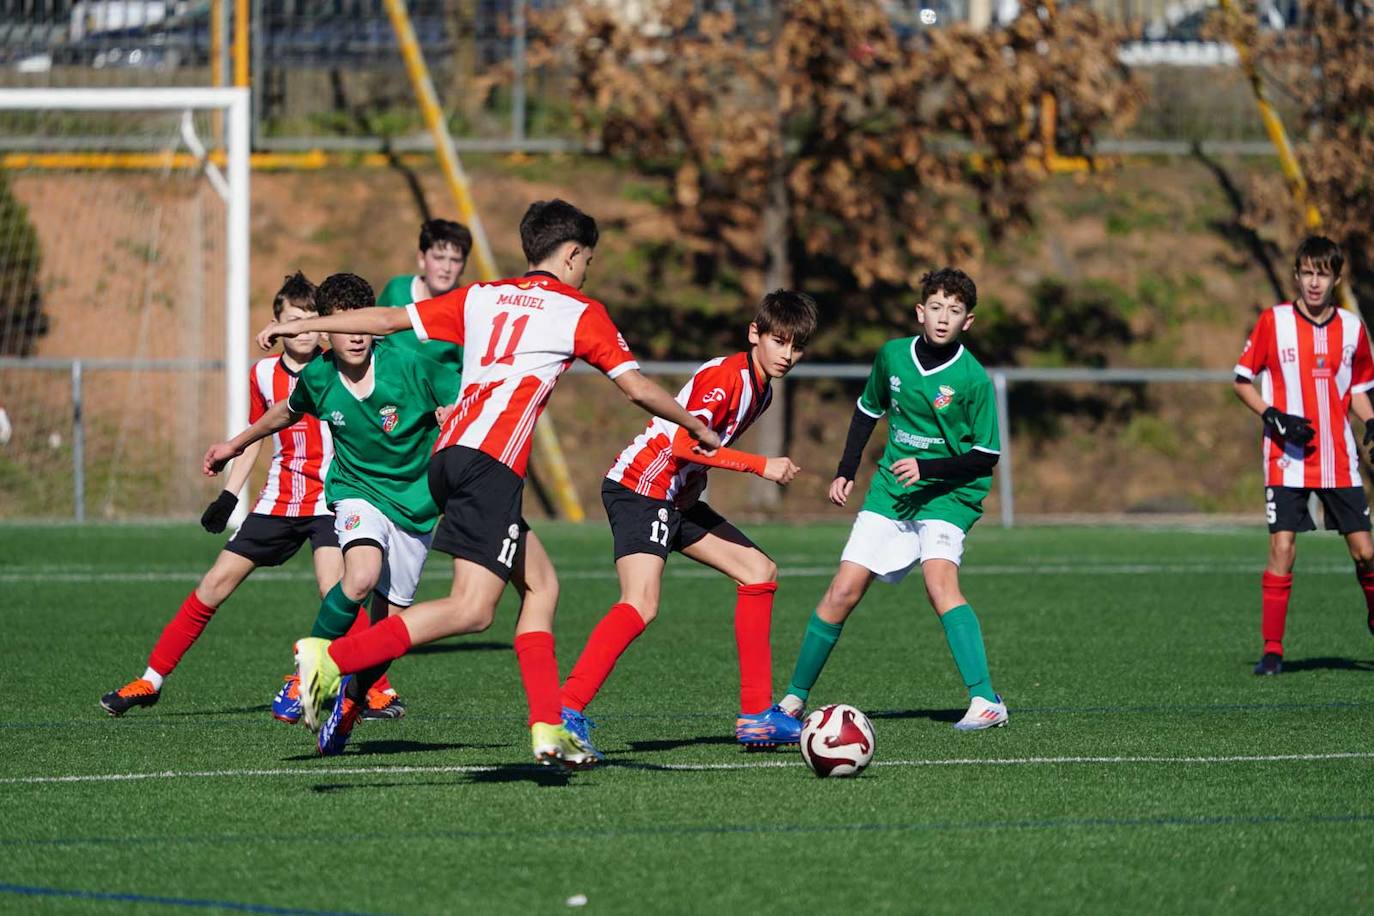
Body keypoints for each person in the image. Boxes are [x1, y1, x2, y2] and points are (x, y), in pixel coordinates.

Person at [254, 198, 722, 767]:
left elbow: (383, 321)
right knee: (472, 609)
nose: (587, 270)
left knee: (542, 588)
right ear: (572, 255)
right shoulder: (579, 310)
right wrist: (695, 422)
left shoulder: (483, 295)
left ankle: (549, 727)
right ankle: (332, 660)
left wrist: (299, 327)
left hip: (447, 457)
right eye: (587, 260)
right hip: (489, 463)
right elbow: (637, 388)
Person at [205, 272, 461, 754]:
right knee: (359, 576)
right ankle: (304, 678)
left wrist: (453, 416)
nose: (358, 335)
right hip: (356, 491)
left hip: (416, 503)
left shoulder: (410, 364)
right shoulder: (319, 376)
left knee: (388, 638)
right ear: (326, 331)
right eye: (345, 325)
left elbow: (464, 402)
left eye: (364, 324)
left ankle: (348, 706)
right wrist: (233, 445)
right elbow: (282, 412)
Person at [559, 290, 818, 758]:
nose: (788, 355)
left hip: (676, 498)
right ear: (754, 334)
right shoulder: (727, 377)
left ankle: (757, 716)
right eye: (779, 342)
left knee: (759, 571)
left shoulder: (762, 388)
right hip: (641, 487)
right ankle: (565, 710)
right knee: (640, 603)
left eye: (796, 346)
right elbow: (682, 445)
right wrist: (762, 466)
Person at [100, 272, 350, 716]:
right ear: (277, 323)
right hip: (278, 501)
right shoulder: (263, 374)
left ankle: (376, 688)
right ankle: (151, 679)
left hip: (331, 500)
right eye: (295, 319)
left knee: (338, 591)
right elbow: (254, 436)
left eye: (312, 319)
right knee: (214, 583)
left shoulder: (338, 365)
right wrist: (230, 497)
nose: (305, 328)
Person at [776, 267, 1009, 731]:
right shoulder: (893, 357)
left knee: (939, 583)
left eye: (955, 311)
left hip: (949, 495)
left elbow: (986, 456)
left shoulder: (973, 379)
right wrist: (846, 471)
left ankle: (986, 701)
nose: (944, 318)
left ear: (969, 321)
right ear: (921, 312)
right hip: (891, 491)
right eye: (937, 307)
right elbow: (867, 411)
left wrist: (929, 468)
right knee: (842, 590)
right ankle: (791, 702)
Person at [1232, 236, 1374, 676]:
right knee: (1283, 548)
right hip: (1286, 457)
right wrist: (1272, 415)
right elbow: (1241, 380)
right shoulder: (1273, 322)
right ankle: (1272, 651)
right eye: (1308, 273)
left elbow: (1358, 390)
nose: (1315, 282)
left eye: (1323, 274)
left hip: (1337, 457)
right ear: (1297, 275)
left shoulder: (1352, 329)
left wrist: (1371, 421)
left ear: (1335, 278)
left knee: (1366, 553)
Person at [374, 218, 473, 373]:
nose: (446, 268)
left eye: (455, 260)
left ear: (464, 265)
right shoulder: (396, 290)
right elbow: (372, 338)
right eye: (439, 258)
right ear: (421, 258)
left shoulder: (468, 307)